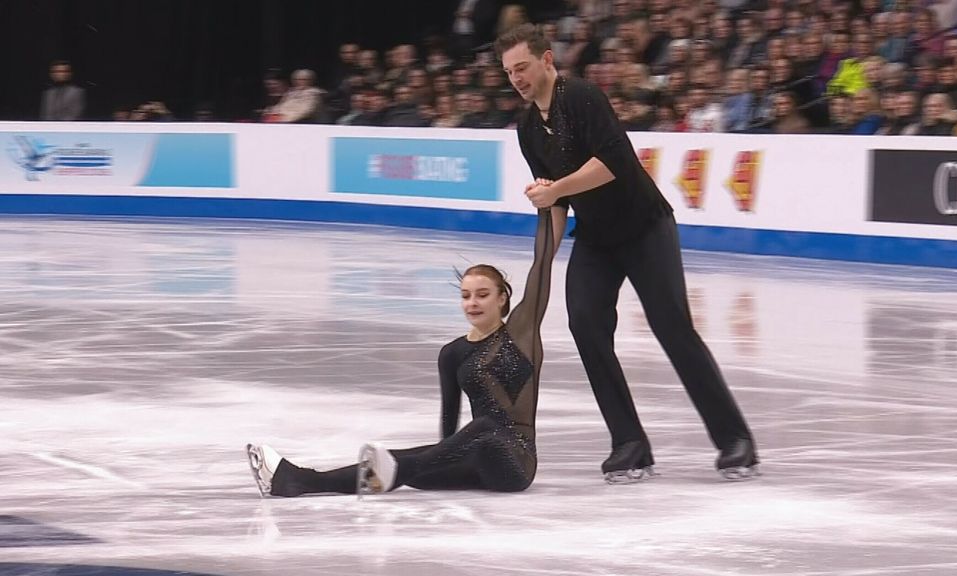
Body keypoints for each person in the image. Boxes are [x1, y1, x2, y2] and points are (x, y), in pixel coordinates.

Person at [495, 23, 758, 483]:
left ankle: (735, 439)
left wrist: (555, 188)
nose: (516, 78)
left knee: (672, 326)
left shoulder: (582, 97)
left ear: (547, 60)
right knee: (586, 325)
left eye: (522, 67)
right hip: (596, 237)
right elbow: (554, 205)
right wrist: (542, 269)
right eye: (509, 71)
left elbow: (612, 164)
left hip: (644, 227)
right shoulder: (527, 127)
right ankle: (630, 442)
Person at [247, 209, 557, 497]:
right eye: (465, 296)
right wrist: (434, 461)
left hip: (515, 463)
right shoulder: (452, 353)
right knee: (398, 459)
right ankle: (299, 480)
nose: (472, 302)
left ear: (503, 299)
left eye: (482, 295)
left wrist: (549, 206)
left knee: (486, 426)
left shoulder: (520, 336)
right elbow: (448, 434)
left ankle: (399, 471)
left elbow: (542, 263)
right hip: (475, 460)